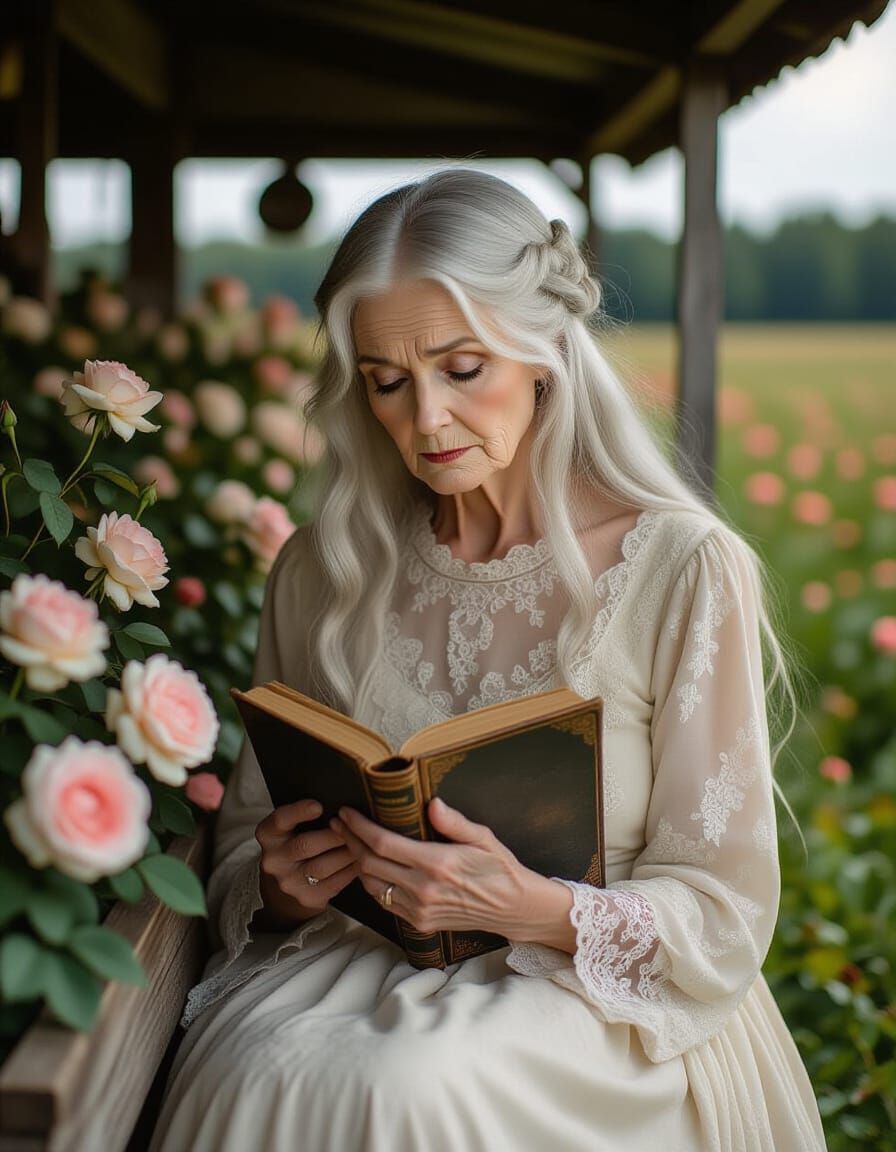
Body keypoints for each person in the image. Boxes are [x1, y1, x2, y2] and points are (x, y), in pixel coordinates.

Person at [149, 168, 827, 1151]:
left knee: (411, 1091)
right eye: (386, 382)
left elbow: (722, 905)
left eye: (462, 368)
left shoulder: (681, 567)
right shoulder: (323, 569)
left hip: (591, 998)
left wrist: (533, 908)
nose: (425, 420)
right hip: (344, 966)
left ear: (544, 353)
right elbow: (248, 842)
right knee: (265, 1067)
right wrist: (284, 884)